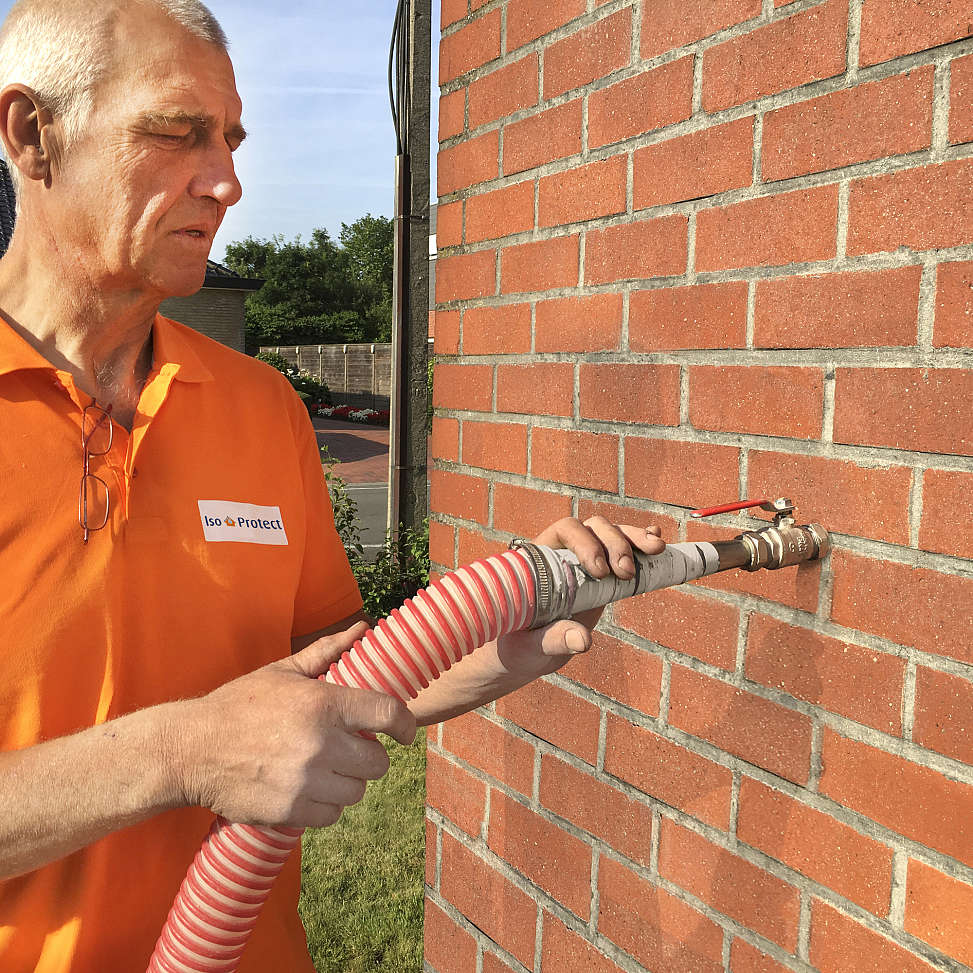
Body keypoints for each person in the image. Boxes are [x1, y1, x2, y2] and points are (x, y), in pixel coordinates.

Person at [0, 0, 665, 969]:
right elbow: (219, 744)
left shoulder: (261, 407)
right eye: (177, 132)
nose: (227, 181)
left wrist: (501, 634)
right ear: (32, 133)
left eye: (230, 139)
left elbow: (338, 673)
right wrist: (184, 754)